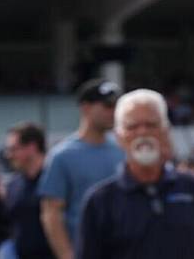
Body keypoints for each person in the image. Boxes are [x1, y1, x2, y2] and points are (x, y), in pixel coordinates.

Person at [76, 89, 194, 259]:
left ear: (165, 130)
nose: (142, 132)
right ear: (119, 136)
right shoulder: (99, 202)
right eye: (132, 126)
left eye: (151, 125)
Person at [38, 78, 125, 259]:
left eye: (116, 106)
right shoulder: (62, 155)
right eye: (107, 105)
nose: (113, 112)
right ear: (85, 107)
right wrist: (67, 255)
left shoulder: (123, 150)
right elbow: (51, 212)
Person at [3, 123, 53, 258]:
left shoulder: (55, 181)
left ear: (32, 147)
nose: (9, 155)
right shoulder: (13, 185)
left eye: (13, 149)